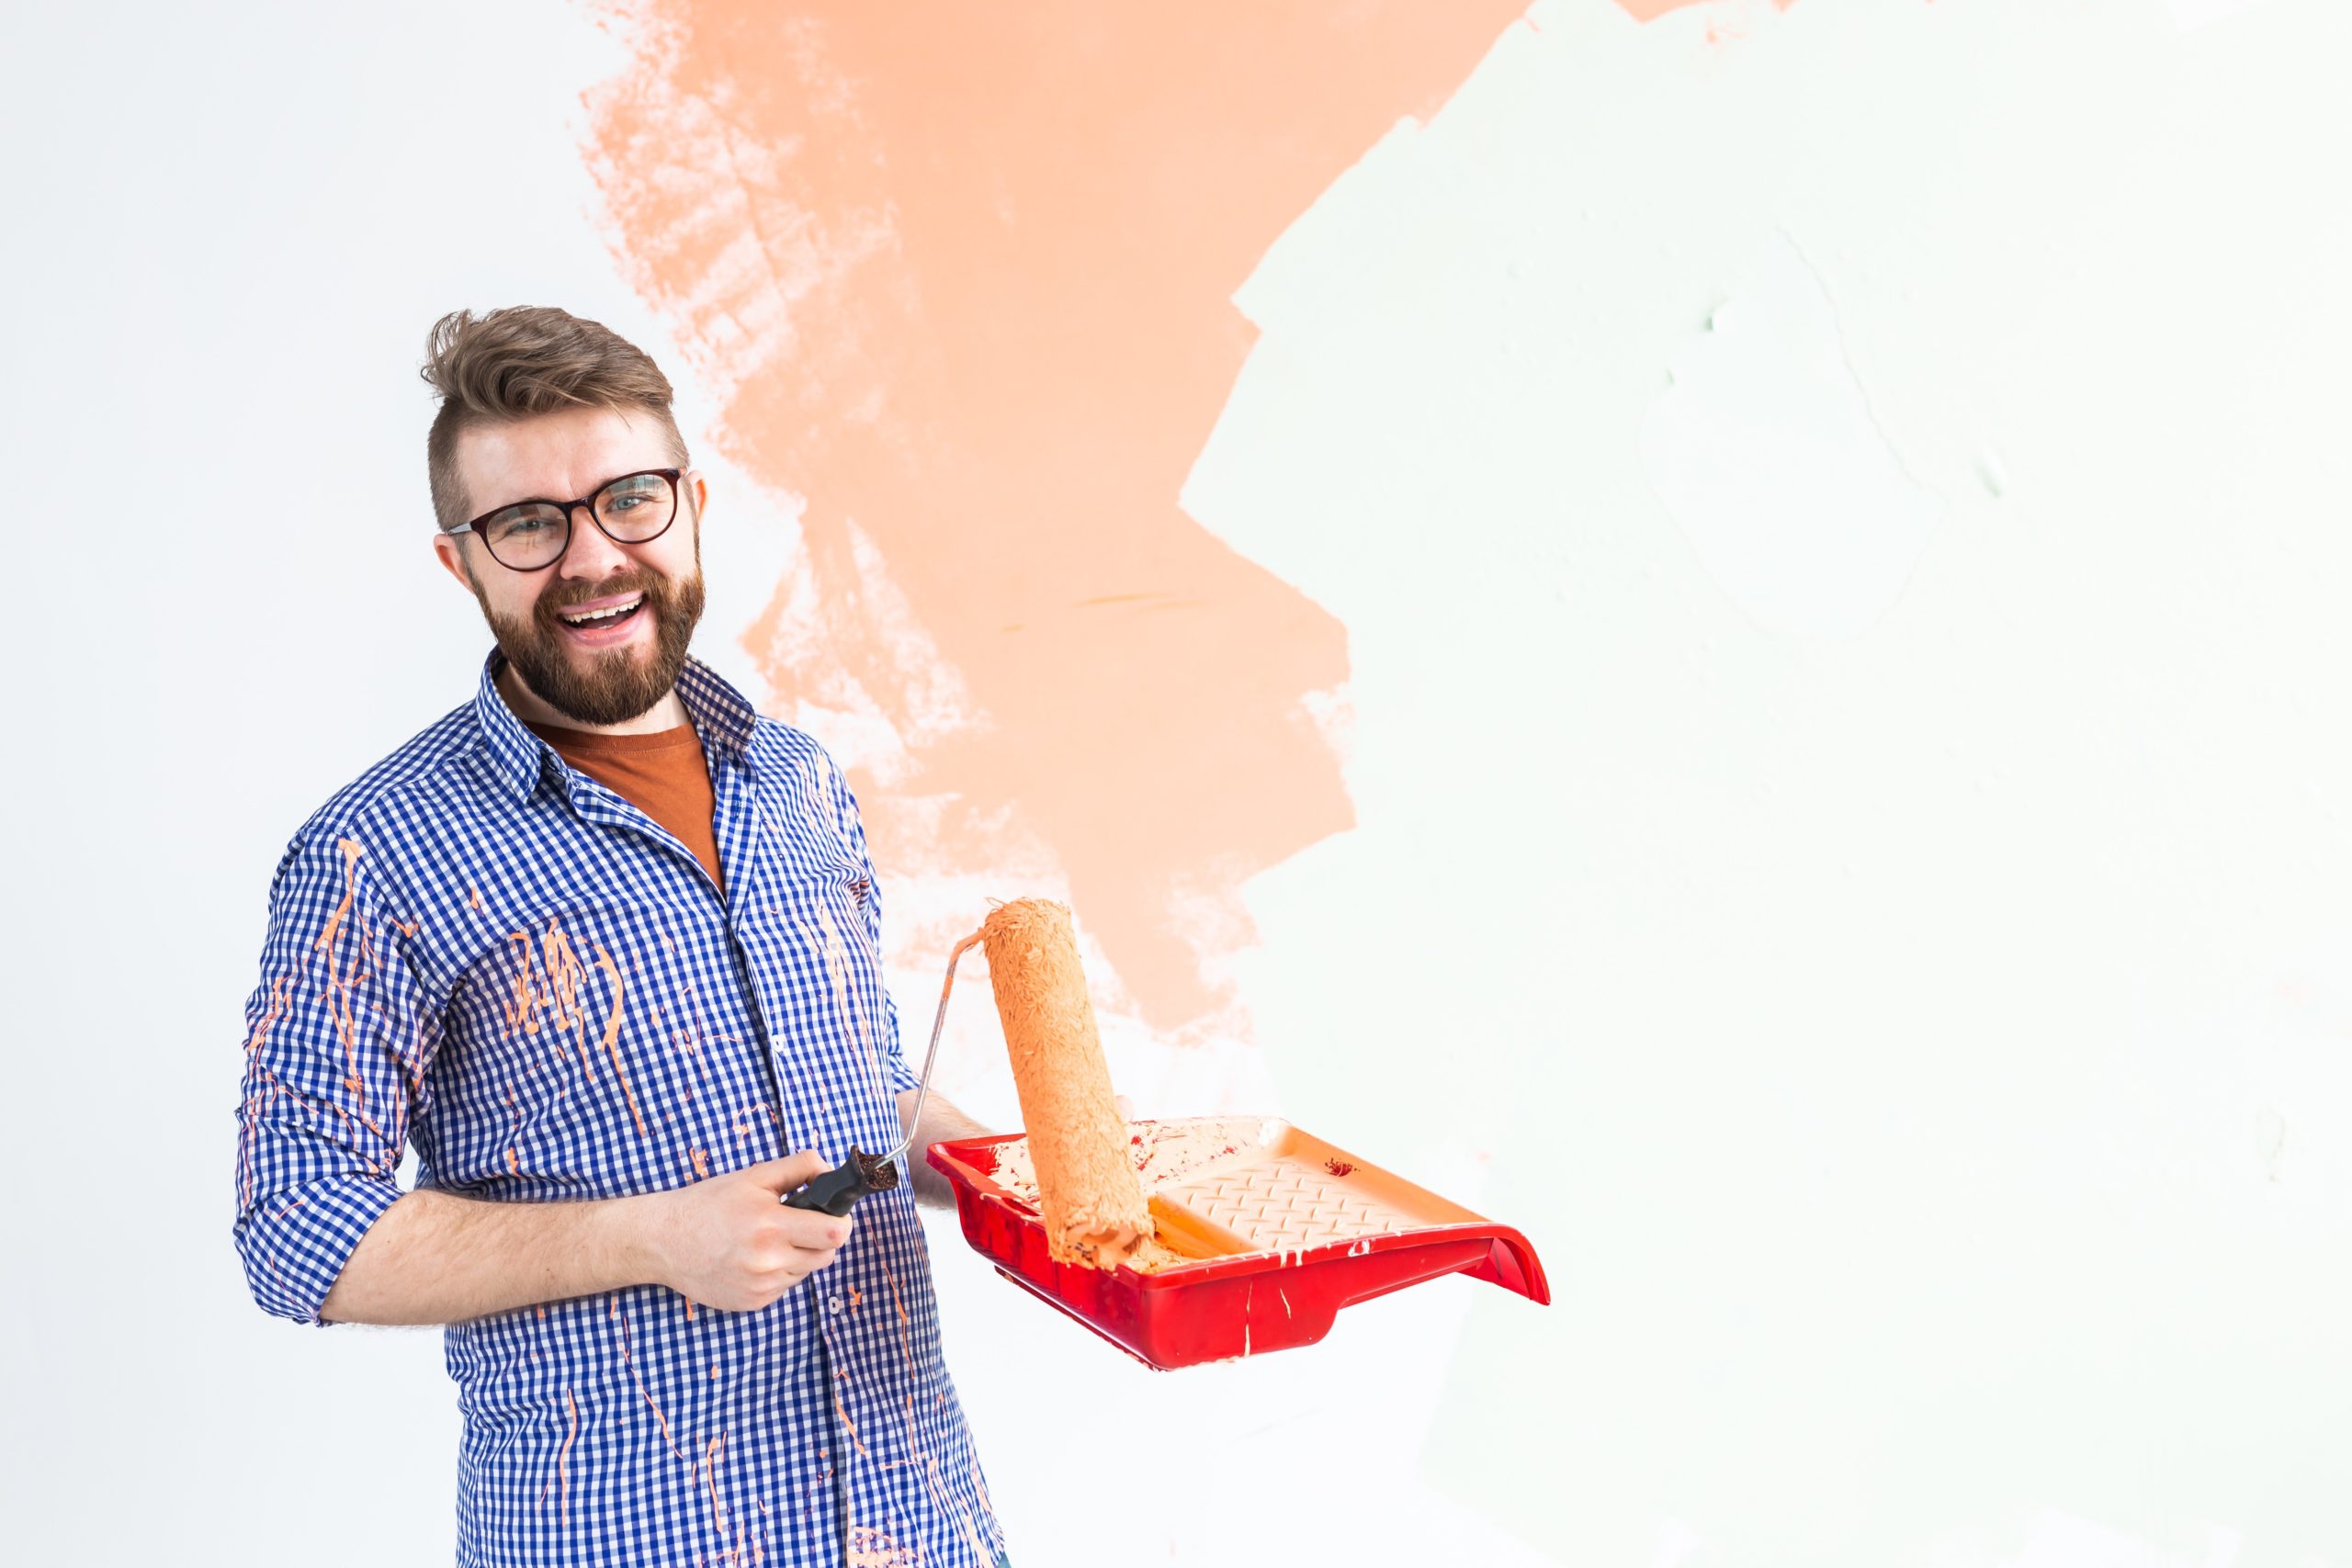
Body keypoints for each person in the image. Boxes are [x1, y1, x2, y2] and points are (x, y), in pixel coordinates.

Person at [232, 306, 1011, 1567]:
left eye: (628, 499)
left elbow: (857, 1095)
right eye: (530, 523)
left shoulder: (797, 783)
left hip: (921, 1528)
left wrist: (1031, 1173)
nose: (593, 556)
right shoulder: (371, 854)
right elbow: (296, 1229)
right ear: (462, 563)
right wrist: (647, 1236)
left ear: (692, 502)